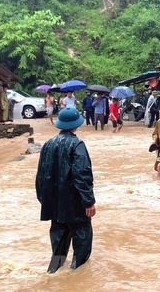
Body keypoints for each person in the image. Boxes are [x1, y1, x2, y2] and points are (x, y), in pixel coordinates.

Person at [35, 107, 96, 274]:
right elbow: (82, 175)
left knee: (59, 240)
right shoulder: (77, 144)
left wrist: (44, 199)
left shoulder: (48, 144)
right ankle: (77, 274)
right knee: (82, 239)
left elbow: (40, 175)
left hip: (54, 203)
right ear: (76, 125)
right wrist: (88, 201)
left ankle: (54, 272)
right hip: (74, 203)